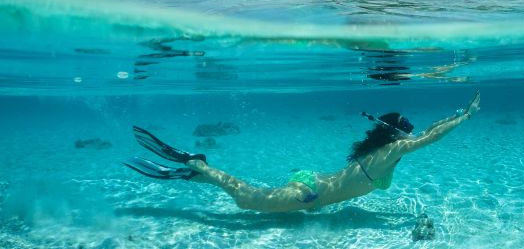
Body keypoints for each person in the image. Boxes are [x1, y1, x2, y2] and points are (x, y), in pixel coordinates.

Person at [124, 91, 480, 213]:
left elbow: (430, 132)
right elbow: (432, 137)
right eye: (409, 131)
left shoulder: (388, 150)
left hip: (313, 184)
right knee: (249, 202)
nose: (414, 135)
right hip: (311, 192)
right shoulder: (394, 149)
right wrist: (464, 117)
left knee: (254, 199)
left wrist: (454, 116)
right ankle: (197, 163)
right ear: (399, 134)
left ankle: (198, 174)